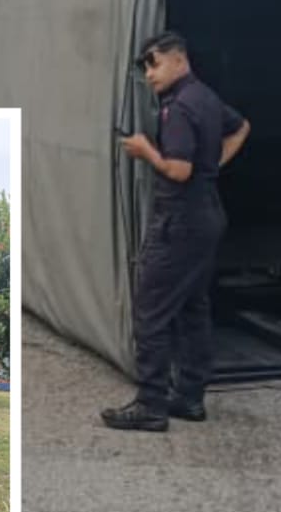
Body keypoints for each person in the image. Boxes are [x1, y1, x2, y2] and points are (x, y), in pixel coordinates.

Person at [101, 31, 250, 433]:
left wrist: (146, 151)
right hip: (207, 214)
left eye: (154, 63)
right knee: (192, 307)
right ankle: (190, 396)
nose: (149, 73)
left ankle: (150, 403)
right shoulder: (206, 97)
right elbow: (241, 127)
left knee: (150, 310)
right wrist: (211, 167)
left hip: (180, 220)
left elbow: (179, 170)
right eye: (145, 67)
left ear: (179, 60)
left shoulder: (179, 108)